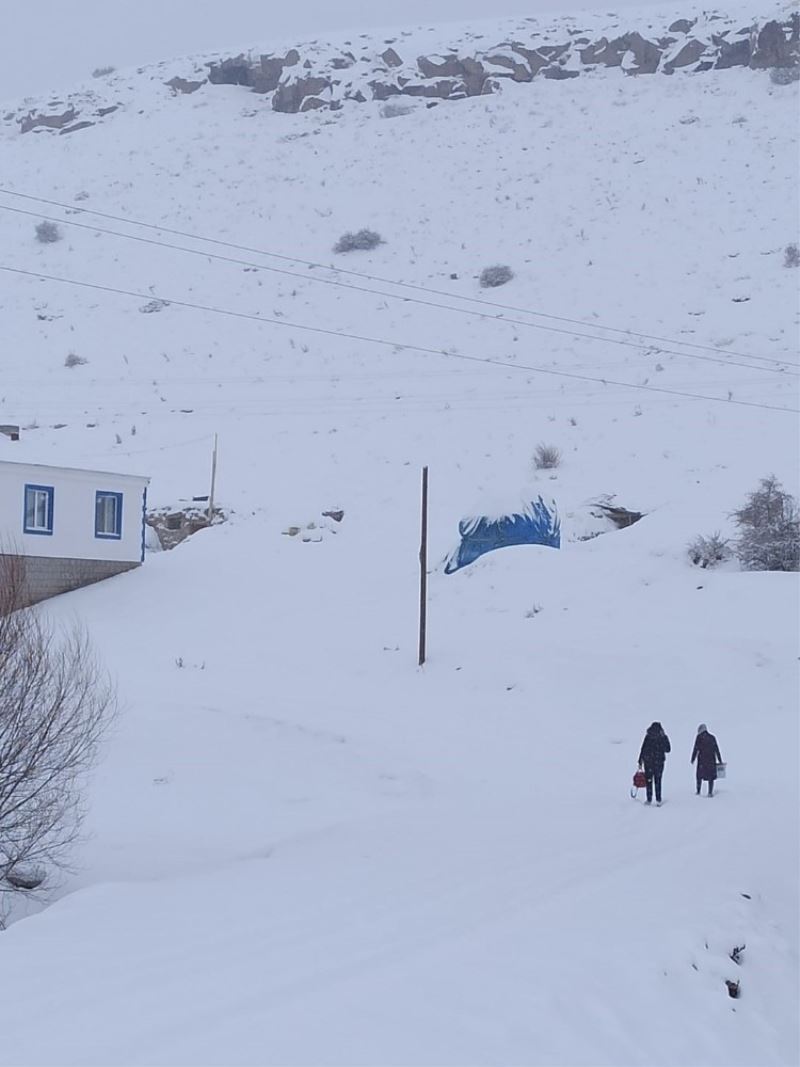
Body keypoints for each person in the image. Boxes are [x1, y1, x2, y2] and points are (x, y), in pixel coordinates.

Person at [638, 722, 671, 805]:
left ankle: (649, 799)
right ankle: (658, 799)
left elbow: (643, 748)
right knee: (658, 781)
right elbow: (668, 749)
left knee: (649, 780)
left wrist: (640, 760)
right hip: (659, 763)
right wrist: (664, 737)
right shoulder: (661, 737)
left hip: (648, 762)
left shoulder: (648, 736)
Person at [691, 724, 722, 797]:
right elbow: (716, 749)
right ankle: (710, 792)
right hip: (711, 759)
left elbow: (695, 749)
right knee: (710, 776)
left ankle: (698, 791)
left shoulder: (699, 738)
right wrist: (720, 759)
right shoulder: (712, 737)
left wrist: (693, 758)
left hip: (702, 760)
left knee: (699, 776)